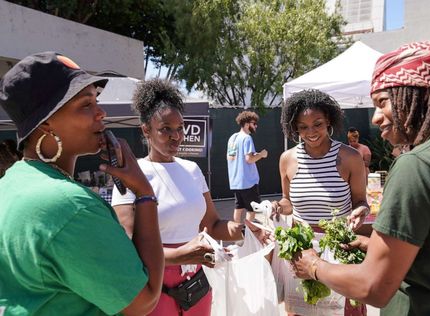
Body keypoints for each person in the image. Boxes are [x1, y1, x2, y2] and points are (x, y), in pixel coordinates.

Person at [291, 41, 430, 316]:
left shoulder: (416, 166)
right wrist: (374, 246)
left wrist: (314, 266)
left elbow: (373, 287)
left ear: (414, 95)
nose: (375, 118)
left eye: (382, 103)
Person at [0, 51, 165, 315]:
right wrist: (144, 193)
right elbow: (144, 300)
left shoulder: (12, 181)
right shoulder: (69, 206)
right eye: (86, 104)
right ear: (46, 125)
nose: (101, 112)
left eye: (96, 99)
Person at [111, 78, 267, 316]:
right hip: (154, 286)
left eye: (180, 128)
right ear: (146, 130)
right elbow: (127, 245)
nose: (176, 136)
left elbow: (212, 225)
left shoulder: (192, 170)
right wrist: (180, 255)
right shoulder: (133, 175)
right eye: (165, 129)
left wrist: (244, 230)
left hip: (196, 283)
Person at [272, 89, 370, 316]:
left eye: (317, 124)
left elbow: (360, 201)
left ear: (329, 121)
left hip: (339, 248)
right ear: (294, 128)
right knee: (302, 309)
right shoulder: (287, 159)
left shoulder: (350, 157)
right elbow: (288, 202)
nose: (311, 132)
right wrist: (277, 206)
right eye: (303, 127)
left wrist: (360, 211)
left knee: (342, 310)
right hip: (302, 250)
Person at [227, 110, 268, 223]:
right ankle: (248, 234)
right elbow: (249, 159)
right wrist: (261, 155)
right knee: (252, 210)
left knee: (238, 208)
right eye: (253, 123)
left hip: (236, 181)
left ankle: (237, 235)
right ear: (246, 124)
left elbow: (234, 157)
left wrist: (255, 155)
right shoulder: (247, 138)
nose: (256, 126)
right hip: (248, 182)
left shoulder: (232, 138)